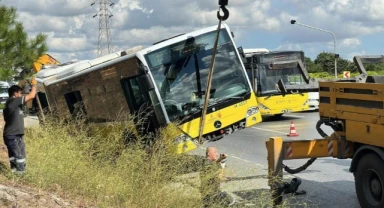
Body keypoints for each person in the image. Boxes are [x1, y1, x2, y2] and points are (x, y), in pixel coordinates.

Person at [3, 77, 37, 173]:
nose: (21, 95)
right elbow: (32, 96)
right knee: (19, 156)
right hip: (13, 135)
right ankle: (21, 175)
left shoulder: (9, 104)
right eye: (20, 93)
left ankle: (15, 174)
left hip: (12, 134)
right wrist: (34, 85)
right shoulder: (14, 101)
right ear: (15, 93)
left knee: (14, 157)